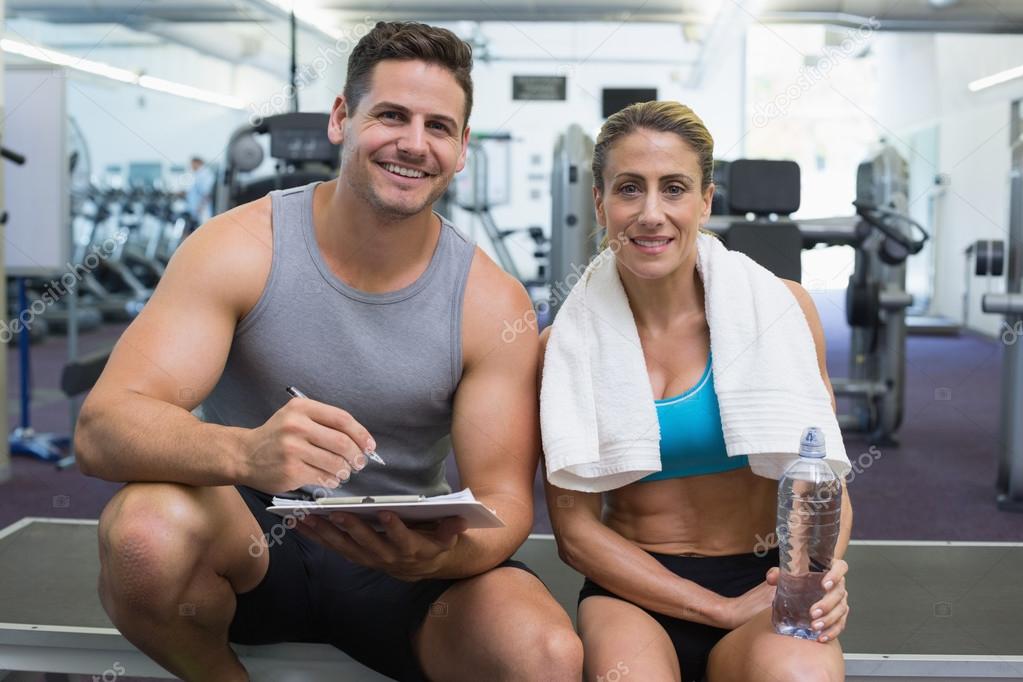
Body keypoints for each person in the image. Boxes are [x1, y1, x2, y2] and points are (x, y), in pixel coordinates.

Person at [76, 21, 582, 682]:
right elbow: (102, 428)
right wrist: (246, 454)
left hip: (403, 562)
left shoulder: (491, 302)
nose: (413, 143)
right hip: (252, 541)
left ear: (461, 149)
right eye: (391, 115)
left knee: (546, 656)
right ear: (342, 118)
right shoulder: (237, 247)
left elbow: (505, 501)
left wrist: (437, 560)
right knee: (143, 538)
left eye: (438, 126)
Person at [540, 101, 852, 682]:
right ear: (600, 203)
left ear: (705, 201)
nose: (651, 214)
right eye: (629, 189)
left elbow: (823, 476)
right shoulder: (563, 347)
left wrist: (820, 577)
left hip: (765, 579)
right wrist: (716, 609)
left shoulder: (783, 309)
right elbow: (575, 532)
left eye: (674, 189)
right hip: (635, 592)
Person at [184, 156, 215, 225]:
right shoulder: (197, 174)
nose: (191, 166)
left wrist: (200, 206)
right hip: (197, 210)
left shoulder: (205, 174)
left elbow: (207, 193)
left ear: (197, 163)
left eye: (192, 164)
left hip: (202, 210)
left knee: (204, 227)